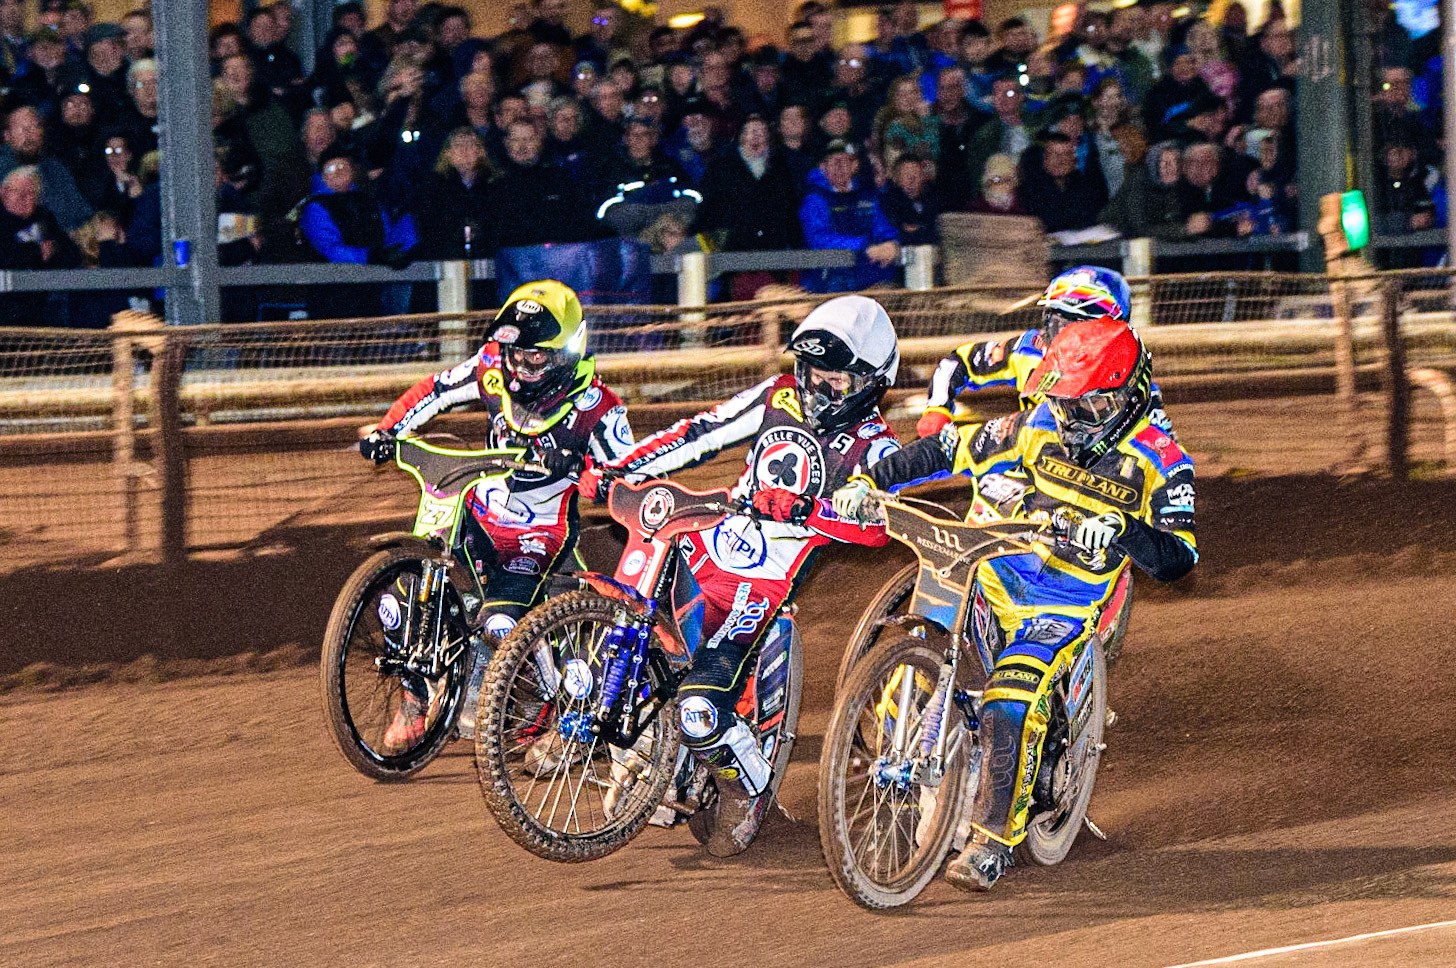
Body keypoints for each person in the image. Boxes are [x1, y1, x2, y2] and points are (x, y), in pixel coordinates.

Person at [833, 315, 1197, 891]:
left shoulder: (1161, 459)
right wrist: (869, 484)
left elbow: (1178, 557)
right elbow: (945, 449)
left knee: (1008, 702)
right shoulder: (1036, 424)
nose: (1072, 419)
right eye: (1066, 404)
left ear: (1125, 395)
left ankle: (992, 841)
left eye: (1087, 408)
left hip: (1061, 606)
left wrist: (1124, 529)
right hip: (995, 572)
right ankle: (907, 751)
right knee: (918, 627)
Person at [579, 295, 902, 855]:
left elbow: (877, 527)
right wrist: (618, 470)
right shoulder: (777, 397)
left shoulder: (878, 447)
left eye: (836, 382)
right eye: (811, 374)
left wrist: (810, 511)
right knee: (630, 625)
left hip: (768, 582)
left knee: (702, 707)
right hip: (710, 540)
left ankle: (744, 785)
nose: (817, 389)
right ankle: (641, 742)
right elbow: (700, 433)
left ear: (872, 383)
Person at [362, 280, 635, 746]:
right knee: (401, 598)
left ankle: (533, 703)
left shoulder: (599, 409)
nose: (522, 367)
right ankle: (416, 698)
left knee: (500, 623)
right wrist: (387, 430)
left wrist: (590, 471)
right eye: (515, 355)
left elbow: (633, 477)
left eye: (536, 357)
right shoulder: (490, 366)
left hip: (540, 532)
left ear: (568, 353)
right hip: (478, 513)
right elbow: (434, 390)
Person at [916, 265, 1134, 438]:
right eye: (1053, 321)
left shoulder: (1129, 374)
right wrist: (937, 409)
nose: (1056, 334)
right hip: (1025, 461)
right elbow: (959, 361)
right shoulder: (1029, 349)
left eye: (1070, 326)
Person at [799, 139, 899, 292]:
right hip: (828, 283)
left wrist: (891, 245)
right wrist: (863, 247)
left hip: (871, 281)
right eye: (834, 162)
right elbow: (817, 239)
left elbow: (884, 230)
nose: (840, 167)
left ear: (854, 166)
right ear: (823, 167)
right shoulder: (815, 200)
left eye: (845, 162)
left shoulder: (868, 198)